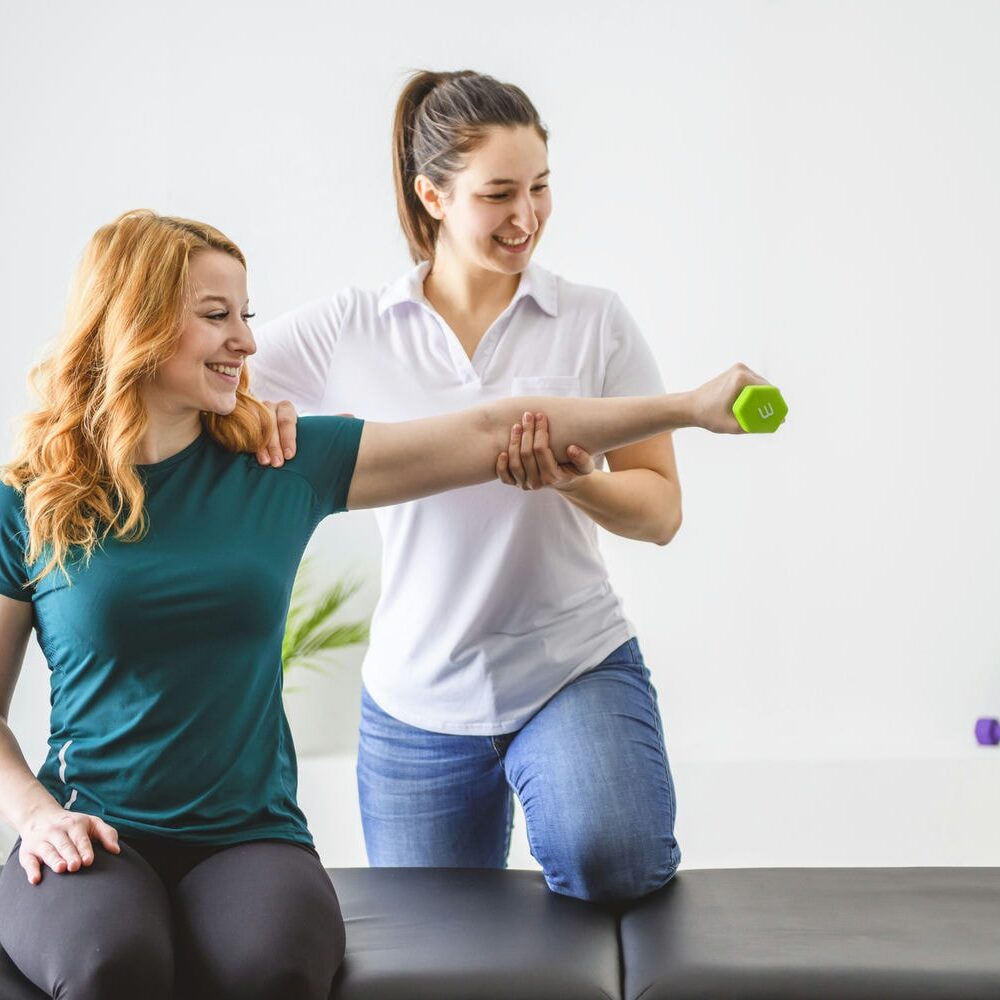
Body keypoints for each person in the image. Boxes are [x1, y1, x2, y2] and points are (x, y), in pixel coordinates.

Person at [0, 208, 764, 997]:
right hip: (89, 830)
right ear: (138, 322)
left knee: (274, 970)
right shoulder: (32, 501)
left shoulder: (280, 465)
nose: (249, 341)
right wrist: (34, 816)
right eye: (217, 316)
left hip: (248, 838)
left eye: (246, 316)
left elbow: (494, 427)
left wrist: (687, 408)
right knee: (110, 967)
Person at [250, 70, 759, 904]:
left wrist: (577, 483)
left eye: (540, 188)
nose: (526, 217)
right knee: (437, 950)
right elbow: (212, 378)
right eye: (498, 194)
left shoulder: (594, 321)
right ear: (434, 197)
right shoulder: (354, 327)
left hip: (569, 667)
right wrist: (252, 416)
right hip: (416, 696)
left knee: (614, 860)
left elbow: (661, 512)